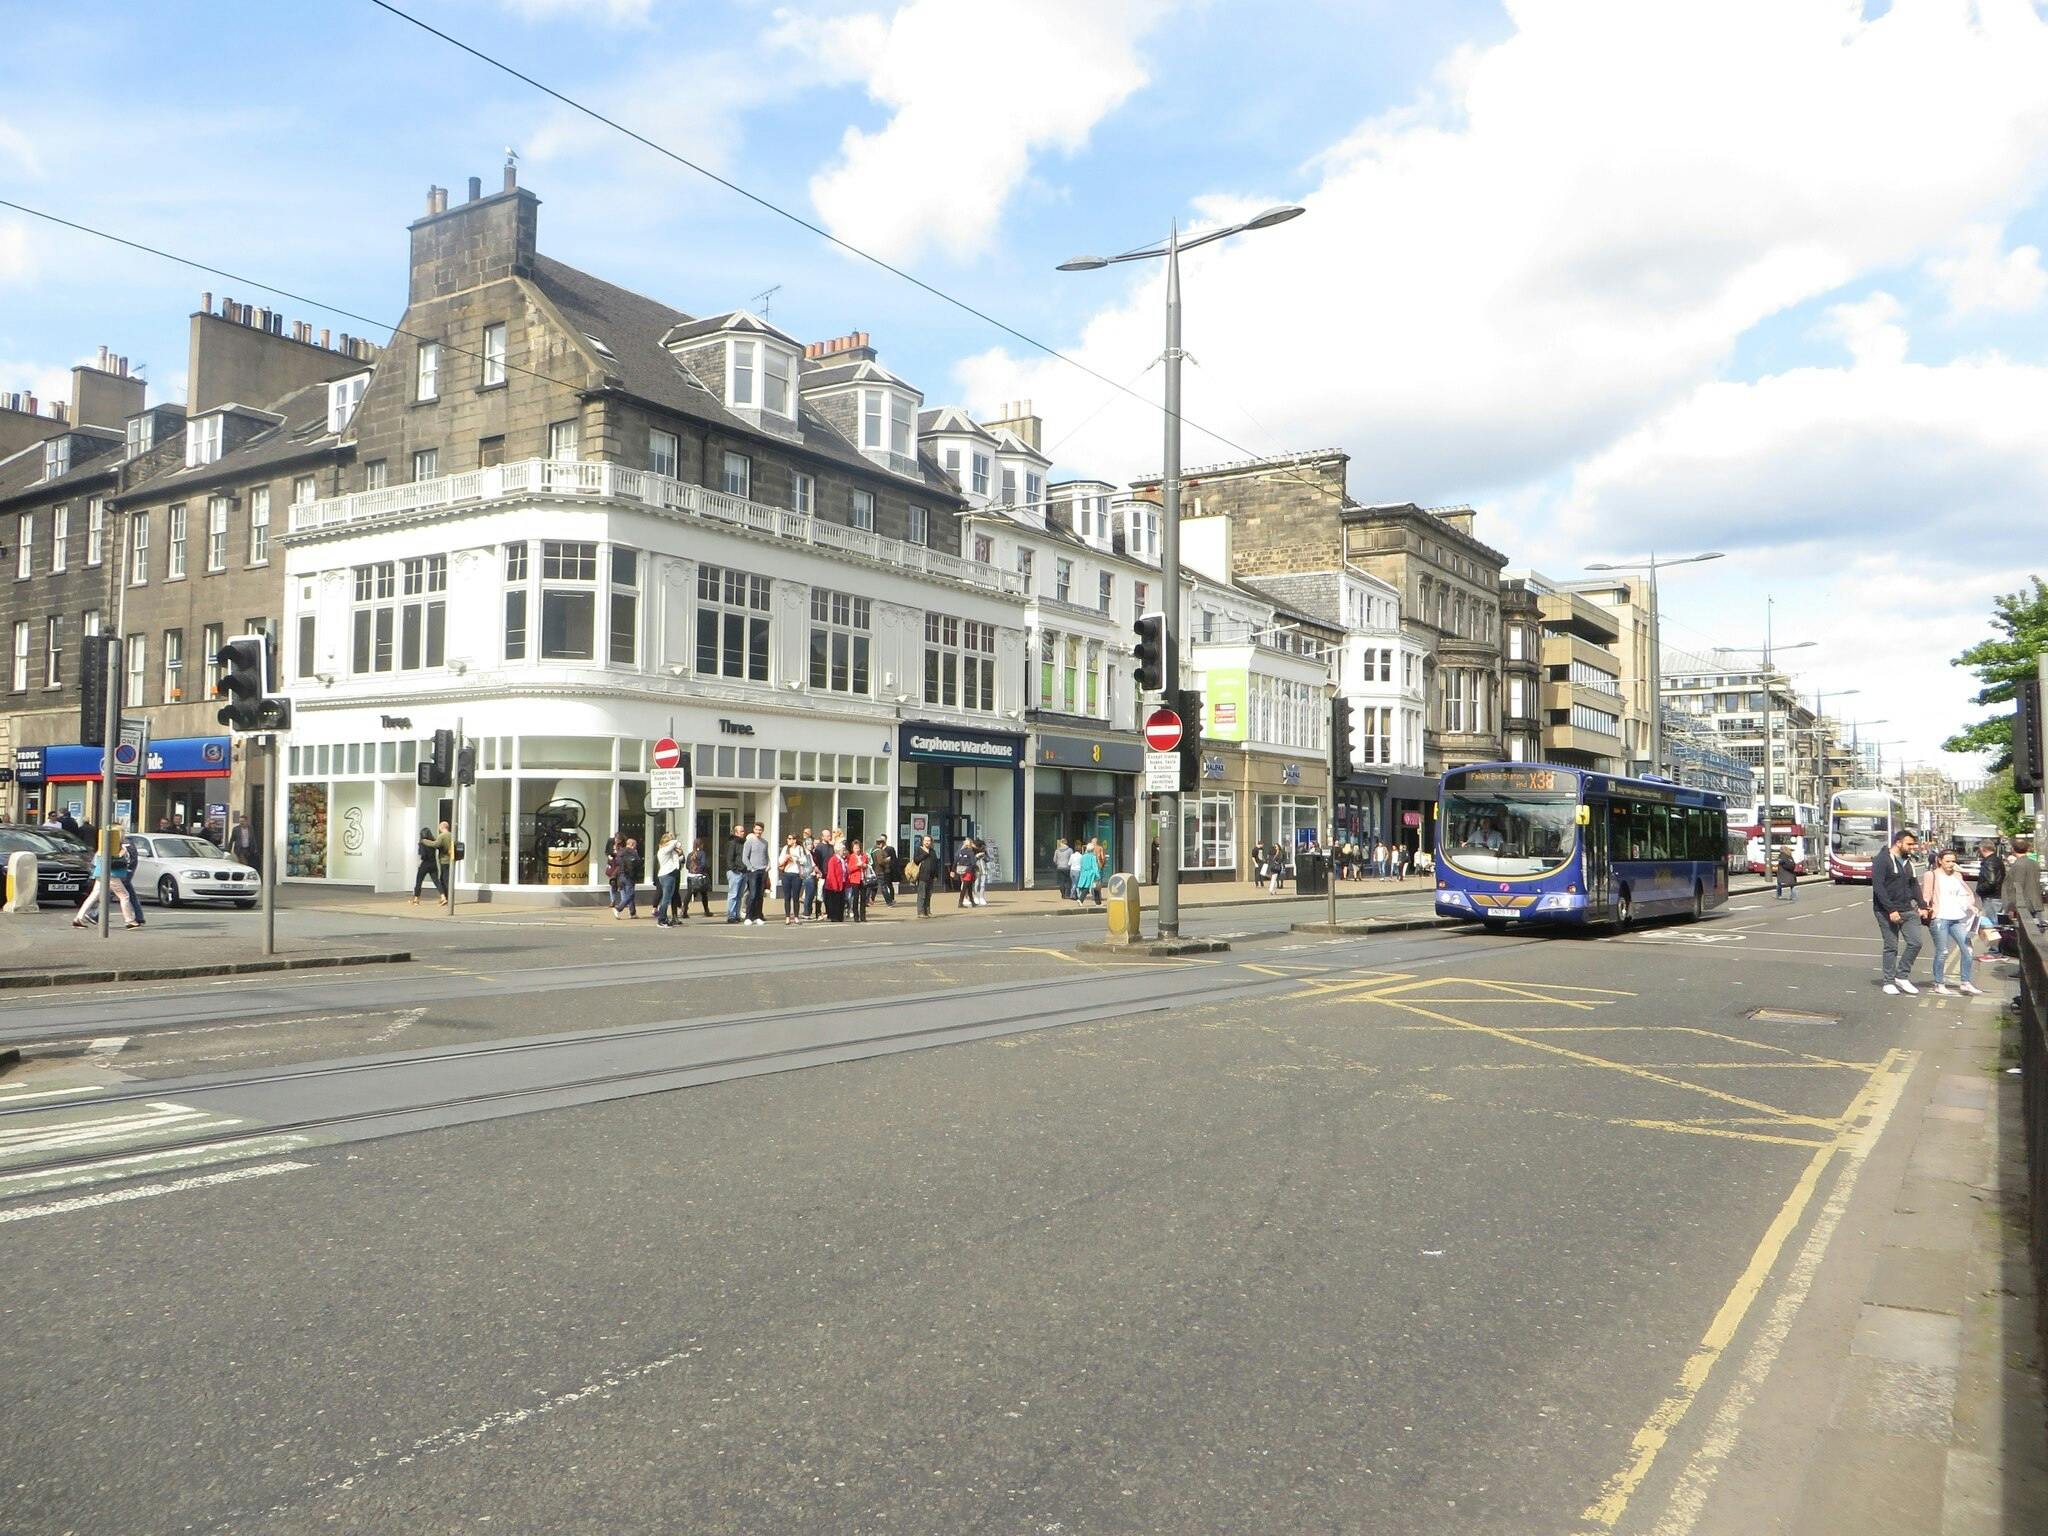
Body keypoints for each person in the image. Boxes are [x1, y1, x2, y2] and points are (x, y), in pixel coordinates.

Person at [1872, 826, 1927, 995]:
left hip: (1907, 908)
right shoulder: (1882, 860)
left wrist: (1922, 905)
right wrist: (1890, 909)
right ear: (1898, 842)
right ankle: (1888, 981)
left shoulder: (1907, 861)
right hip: (1886, 910)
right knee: (1891, 946)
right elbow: (1878, 886)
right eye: (1909, 844)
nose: (1912, 847)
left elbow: (1914, 884)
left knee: (1916, 942)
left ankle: (1901, 976)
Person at [1921, 848, 1983, 997]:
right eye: (1947, 861)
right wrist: (1924, 909)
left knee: (1967, 949)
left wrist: (1970, 906)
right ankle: (1939, 983)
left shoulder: (1957, 875)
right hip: (1940, 917)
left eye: (1953, 861)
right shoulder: (1932, 875)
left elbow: (1964, 894)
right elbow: (1926, 895)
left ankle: (1965, 982)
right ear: (1940, 861)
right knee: (1942, 951)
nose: (1951, 864)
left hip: (1957, 918)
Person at [73, 846, 140, 929]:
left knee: (93, 896)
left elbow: (97, 858)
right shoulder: (116, 845)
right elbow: (121, 857)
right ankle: (129, 921)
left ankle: (79, 918)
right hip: (112, 874)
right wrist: (123, 850)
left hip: (100, 872)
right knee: (124, 895)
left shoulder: (103, 843)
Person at [2006, 837, 2044, 942]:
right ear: (2027, 849)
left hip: (2023, 905)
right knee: (2035, 933)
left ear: (2013, 849)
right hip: (2035, 903)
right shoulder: (2034, 864)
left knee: (2025, 936)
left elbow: (2017, 887)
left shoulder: (2018, 865)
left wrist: (2012, 907)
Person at [1974, 841, 2006, 958]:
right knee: (1994, 923)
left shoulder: (1989, 862)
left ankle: (1995, 949)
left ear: (1982, 849)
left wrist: (1979, 890)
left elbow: (1991, 882)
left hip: (1991, 897)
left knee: (1991, 924)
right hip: (1996, 896)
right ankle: (1997, 948)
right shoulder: (1996, 860)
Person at [743, 821, 770, 924]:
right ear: (753, 830)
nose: (758, 831)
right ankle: (748, 917)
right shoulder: (749, 841)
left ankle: (758, 916)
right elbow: (744, 857)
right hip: (753, 872)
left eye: (760, 830)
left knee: (760, 895)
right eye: (757, 829)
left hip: (763, 871)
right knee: (753, 894)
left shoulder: (765, 842)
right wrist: (751, 868)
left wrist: (769, 865)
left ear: (762, 831)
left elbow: (766, 855)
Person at [653, 831, 682, 927]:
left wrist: (679, 853)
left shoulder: (668, 851)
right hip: (667, 875)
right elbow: (675, 843)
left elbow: (678, 860)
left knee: (667, 897)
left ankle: (664, 918)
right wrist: (673, 841)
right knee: (666, 898)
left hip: (668, 874)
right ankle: (661, 919)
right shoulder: (664, 850)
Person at [777, 833, 807, 925]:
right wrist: (786, 858)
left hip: (796, 874)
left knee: (796, 897)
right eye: (788, 838)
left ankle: (796, 917)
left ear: (795, 840)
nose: (788, 840)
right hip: (786, 874)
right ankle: (787, 917)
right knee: (787, 896)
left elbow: (804, 860)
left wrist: (795, 858)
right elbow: (780, 861)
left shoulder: (800, 848)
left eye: (790, 838)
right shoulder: (785, 848)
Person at [410, 825, 441, 905]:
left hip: (425, 864)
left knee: (419, 881)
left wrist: (420, 863)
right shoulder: (433, 842)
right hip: (433, 863)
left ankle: (416, 899)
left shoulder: (422, 843)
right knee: (436, 881)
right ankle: (443, 896)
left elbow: (423, 855)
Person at [724, 825, 748, 923]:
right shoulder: (732, 843)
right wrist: (735, 869)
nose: (743, 833)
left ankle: (737, 915)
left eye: (743, 831)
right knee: (733, 894)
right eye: (741, 831)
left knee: (739, 895)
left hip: (743, 872)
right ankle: (731, 916)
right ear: (736, 832)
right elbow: (729, 858)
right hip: (735, 872)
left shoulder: (744, 843)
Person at [683, 837, 711, 918]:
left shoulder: (690, 854)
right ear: (701, 845)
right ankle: (706, 911)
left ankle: (684, 910)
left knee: (689, 893)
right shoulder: (702, 853)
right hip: (699, 877)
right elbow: (703, 864)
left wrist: (692, 870)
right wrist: (699, 870)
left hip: (690, 877)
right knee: (704, 894)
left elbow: (687, 866)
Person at [913, 834, 940, 917]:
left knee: (928, 895)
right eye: (926, 841)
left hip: (930, 877)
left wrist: (936, 875)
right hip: (922, 876)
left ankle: (927, 911)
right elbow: (916, 860)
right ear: (923, 842)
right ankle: (920, 912)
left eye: (929, 841)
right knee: (922, 895)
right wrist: (925, 854)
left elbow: (935, 863)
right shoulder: (919, 850)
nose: (927, 842)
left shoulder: (932, 851)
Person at [848, 838, 871, 923]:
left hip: (863, 879)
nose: (857, 850)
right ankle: (856, 916)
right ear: (852, 849)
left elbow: (867, 865)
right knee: (856, 898)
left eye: (858, 848)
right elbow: (849, 869)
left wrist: (865, 865)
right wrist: (858, 865)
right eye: (855, 848)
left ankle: (863, 916)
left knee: (863, 898)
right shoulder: (851, 857)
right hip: (855, 879)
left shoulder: (864, 856)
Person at [1074, 838, 1102, 905]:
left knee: (1093, 888)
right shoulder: (1093, 857)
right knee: (1090, 888)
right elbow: (1095, 867)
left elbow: (1081, 865)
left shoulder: (1083, 856)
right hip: (1091, 874)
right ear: (1092, 849)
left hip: (1084, 873)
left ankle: (1098, 903)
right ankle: (1081, 900)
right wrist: (1098, 875)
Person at [871, 839, 897, 907]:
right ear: (881, 844)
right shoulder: (879, 851)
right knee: (883, 887)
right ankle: (889, 902)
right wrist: (886, 860)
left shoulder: (873, 850)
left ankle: (869, 900)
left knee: (874, 886)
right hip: (880, 871)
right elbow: (880, 861)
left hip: (876, 871)